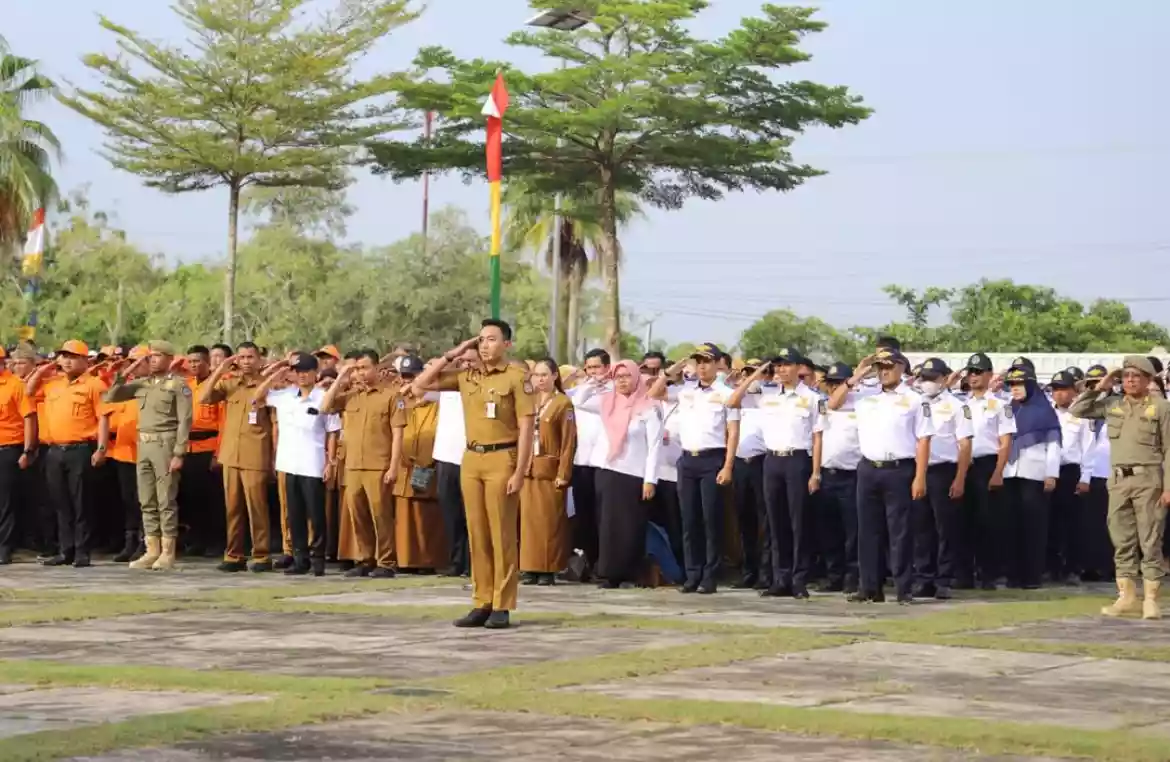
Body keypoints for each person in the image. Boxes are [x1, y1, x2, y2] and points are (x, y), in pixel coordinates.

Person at [413, 320, 535, 630]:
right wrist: (454, 352)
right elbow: (421, 384)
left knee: (501, 535)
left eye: (492, 339)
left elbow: (526, 429)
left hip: (502, 457)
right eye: (480, 340)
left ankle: (502, 603)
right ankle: (481, 600)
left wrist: (520, 471)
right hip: (471, 458)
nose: (484, 345)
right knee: (477, 535)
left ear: (506, 344)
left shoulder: (516, 378)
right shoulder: (467, 376)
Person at [1070, 355, 1170, 620]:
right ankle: (1126, 596)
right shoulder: (1113, 404)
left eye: (1136, 376)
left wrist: (1168, 486)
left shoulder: (1161, 408)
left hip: (1149, 480)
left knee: (1150, 539)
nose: (1130, 380)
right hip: (1117, 481)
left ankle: (1150, 598)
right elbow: (1077, 410)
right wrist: (1102, 385)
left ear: (1148, 380)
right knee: (1121, 538)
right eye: (1125, 376)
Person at [831, 348, 932, 604]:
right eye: (880, 367)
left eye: (888, 366)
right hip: (868, 469)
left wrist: (920, 476)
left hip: (899, 468)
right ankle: (869, 587)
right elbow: (833, 403)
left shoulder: (915, 399)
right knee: (867, 530)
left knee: (899, 532)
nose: (884, 372)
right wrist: (856, 375)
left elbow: (923, 440)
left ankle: (902, 588)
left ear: (901, 367)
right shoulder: (864, 396)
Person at [729, 348, 823, 599]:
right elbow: (733, 399)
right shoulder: (766, 393)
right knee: (776, 521)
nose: (781, 370)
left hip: (798, 460)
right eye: (777, 366)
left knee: (798, 522)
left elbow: (817, 435)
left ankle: (798, 579)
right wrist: (758, 372)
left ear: (797, 367)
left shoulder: (812, 397)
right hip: (772, 460)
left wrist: (815, 472)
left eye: (786, 365)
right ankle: (779, 578)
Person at [649, 343, 740, 595]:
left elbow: (733, 432)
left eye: (707, 362)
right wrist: (671, 371)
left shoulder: (725, 392)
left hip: (712, 459)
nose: (702, 366)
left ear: (717, 364)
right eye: (698, 361)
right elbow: (654, 394)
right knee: (689, 521)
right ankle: (693, 574)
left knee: (710, 520)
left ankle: (710, 576)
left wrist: (728, 465)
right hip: (687, 460)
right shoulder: (686, 390)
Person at [104, 341, 193, 571]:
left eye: (157, 356)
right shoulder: (141, 384)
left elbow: (185, 420)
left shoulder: (177, 385)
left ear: (169, 358)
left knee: (166, 500)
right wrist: (129, 370)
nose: (152, 360)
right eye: (149, 356)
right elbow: (111, 396)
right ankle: (151, 549)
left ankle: (167, 551)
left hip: (165, 443)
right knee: (146, 500)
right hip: (143, 445)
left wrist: (179, 452)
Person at [574, 359, 661, 587]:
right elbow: (578, 399)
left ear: (636, 378)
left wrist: (650, 479)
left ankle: (629, 573)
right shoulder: (607, 402)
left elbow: (654, 446)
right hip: (607, 471)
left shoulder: (649, 407)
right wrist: (598, 380)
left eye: (627, 376)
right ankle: (608, 573)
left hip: (633, 474)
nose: (622, 381)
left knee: (629, 527)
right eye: (618, 377)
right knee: (606, 525)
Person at [252, 352, 341, 576]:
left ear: (315, 374)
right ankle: (300, 559)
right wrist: (276, 374)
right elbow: (257, 397)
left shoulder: (323, 397)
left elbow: (333, 431)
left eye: (306, 372)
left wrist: (331, 461)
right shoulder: (285, 396)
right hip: (289, 462)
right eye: (297, 372)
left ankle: (318, 557)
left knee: (316, 514)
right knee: (294, 514)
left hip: (313, 461)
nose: (302, 376)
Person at [27, 340, 110, 568]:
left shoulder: (95, 384)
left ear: (85, 360)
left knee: (81, 502)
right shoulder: (53, 383)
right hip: (55, 450)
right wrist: (46, 367)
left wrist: (102, 448)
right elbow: (29, 389)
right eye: (63, 356)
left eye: (72, 356)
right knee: (60, 503)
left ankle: (82, 551)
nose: (66, 360)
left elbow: (103, 417)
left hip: (80, 449)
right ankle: (66, 550)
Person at [321, 349, 404, 579]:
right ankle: (365, 559)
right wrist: (342, 377)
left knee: (381, 515)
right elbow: (325, 406)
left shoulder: (391, 395)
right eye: (356, 368)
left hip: (379, 464)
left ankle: (386, 561)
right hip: (353, 465)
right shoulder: (350, 395)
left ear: (376, 368)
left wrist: (394, 466)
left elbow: (397, 433)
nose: (360, 373)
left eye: (364, 368)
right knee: (357, 514)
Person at [198, 342, 274, 572]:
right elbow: (204, 397)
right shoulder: (230, 384)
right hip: (231, 454)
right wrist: (220, 369)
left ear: (259, 360)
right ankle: (234, 555)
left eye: (251, 357)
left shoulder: (268, 387)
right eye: (242, 357)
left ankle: (261, 555)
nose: (246, 361)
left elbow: (275, 424)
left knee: (257, 507)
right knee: (232, 508)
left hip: (256, 454)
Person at [911, 358, 972, 600]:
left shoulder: (957, 406)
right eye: (924, 378)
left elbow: (965, 443)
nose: (928, 383)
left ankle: (943, 579)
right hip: (918, 471)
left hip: (943, 470)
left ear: (945, 379)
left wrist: (960, 478)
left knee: (945, 528)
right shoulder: (914, 403)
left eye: (933, 378)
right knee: (920, 527)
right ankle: (923, 577)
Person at [956, 352, 1016, 590]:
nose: (973, 376)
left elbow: (1006, 441)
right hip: (964, 465)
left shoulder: (1001, 405)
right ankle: (964, 574)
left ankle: (989, 573)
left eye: (978, 372)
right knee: (964, 521)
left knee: (988, 522)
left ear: (989, 375)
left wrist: (998, 471)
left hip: (988, 464)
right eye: (970, 372)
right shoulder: (961, 404)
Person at [519, 358, 577, 585]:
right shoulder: (529, 401)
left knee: (549, 522)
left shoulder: (563, 403)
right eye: (536, 375)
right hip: (528, 470)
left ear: (554, 376)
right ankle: (529, 567)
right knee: (528, 522)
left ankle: (548, 569)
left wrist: (564, 473)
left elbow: (568, 441)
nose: (540, 379)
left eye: (544, 375)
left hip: (550, 471)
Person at [1002, 365, 1060, 589]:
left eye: (1019, 384)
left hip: (1034, 474)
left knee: (1033, 527)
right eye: (1012, 385)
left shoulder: (1044, 411)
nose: (1015, 389)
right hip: (1010, 472)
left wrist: (1051, 474)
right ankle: (1013, 574)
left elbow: (1054, 445)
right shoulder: (1009, 409)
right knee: (1011, 525)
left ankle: (1032, 576)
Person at [392, 355, 448, 573]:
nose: (407, 381)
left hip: (429, 468)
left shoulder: (439, 403)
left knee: (428, 518)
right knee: (405, 517)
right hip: (404, 468)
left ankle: (428, 561)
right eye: (404, 377)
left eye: (412, 377)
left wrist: (426, 461)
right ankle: (405, 560)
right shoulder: (399, 402)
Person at [725, 357, 771, 591]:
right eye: (747, 372)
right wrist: (742, 380)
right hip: (741, 464)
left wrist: (757, 378)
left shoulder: (769, 397)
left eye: (755, 372)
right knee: (744, 520)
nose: (750, 376)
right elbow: (730, 400)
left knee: (765, 521)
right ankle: (748, 571)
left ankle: (765, 572)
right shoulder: (738, 397)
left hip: (762, 462)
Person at [817, 362, 862, 594]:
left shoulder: (861, 405)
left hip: (851, 474)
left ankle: (852, 576)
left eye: (839, 383)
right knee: (829, 530)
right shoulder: (824, 405)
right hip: (828, 473)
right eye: (832, 383)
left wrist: (853, 381)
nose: (834, 388)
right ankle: (834, 575)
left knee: (852, 531)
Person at [432, 347, 477, 577]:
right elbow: (423, 381)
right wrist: (450, 358)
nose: (467, 364)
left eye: (471, 361)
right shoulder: (448, 384)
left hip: (472, 457)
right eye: (464, 361)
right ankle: (456, 561)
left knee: (473, 515)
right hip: (445, 457)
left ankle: (474, 564)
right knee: (451, 514)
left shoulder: (481, 385)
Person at [568, 348, 612, 580]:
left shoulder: (615, 391)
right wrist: (586, 382)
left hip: (605, 463)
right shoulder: (581, 390)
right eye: (589, 368)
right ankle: (589, 564)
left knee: (603, 517)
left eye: (596, 367)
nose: (593, 372)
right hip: (582, 461)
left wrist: (601, 384)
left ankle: (604, 565)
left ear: (607, 367)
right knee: (584, 517)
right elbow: (574, 399)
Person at [1049, 370, 1096, 584]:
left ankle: (1072, 568)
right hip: (1048, 472)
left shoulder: (1081, 415)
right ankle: (1051, 567)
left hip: (1070, 471)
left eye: (1063, 390)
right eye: (1055, 389)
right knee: (1050, 521)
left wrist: (1085, 477)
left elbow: (1088, 448)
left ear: (1073, 391)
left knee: (1071, 523)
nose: (1059, 394)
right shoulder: (1046, 413)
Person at [101, 346, 146, 563]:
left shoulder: (157, 387)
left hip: (148, 453)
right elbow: (108, 401)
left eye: (139, 362)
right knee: (128, 501)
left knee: (146, 501)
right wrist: (124, 374)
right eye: (131, 362)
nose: (134, 366)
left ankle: (147, 543)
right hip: (123, 453)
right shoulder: (125, 390)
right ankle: (130, 542)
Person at [181, 345, 226, 558]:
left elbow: (223, 421)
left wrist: (218, 453)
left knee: (213, 499)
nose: (193, 365)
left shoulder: (216, 385)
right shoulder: (185, 386)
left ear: (208, 363)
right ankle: (197, 539)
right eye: (190, 362)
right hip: (188, 447)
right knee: (192, 497)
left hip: (209, 445)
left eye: (197, 361)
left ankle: (216, 541)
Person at [0, 347, 36, 565]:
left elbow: (29, 418)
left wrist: (27, 450)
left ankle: (4, 548)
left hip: (7, 449)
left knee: (5, 502)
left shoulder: (15, 385)